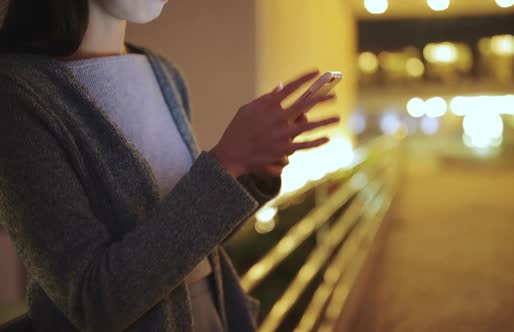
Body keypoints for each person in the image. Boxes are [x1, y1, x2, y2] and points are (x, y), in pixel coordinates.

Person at [0, 1, 339, 331]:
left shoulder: (163, 73)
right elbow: (94, 303)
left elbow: (188, 241)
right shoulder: (18, 94)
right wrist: (227, 162)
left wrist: (251, 174)